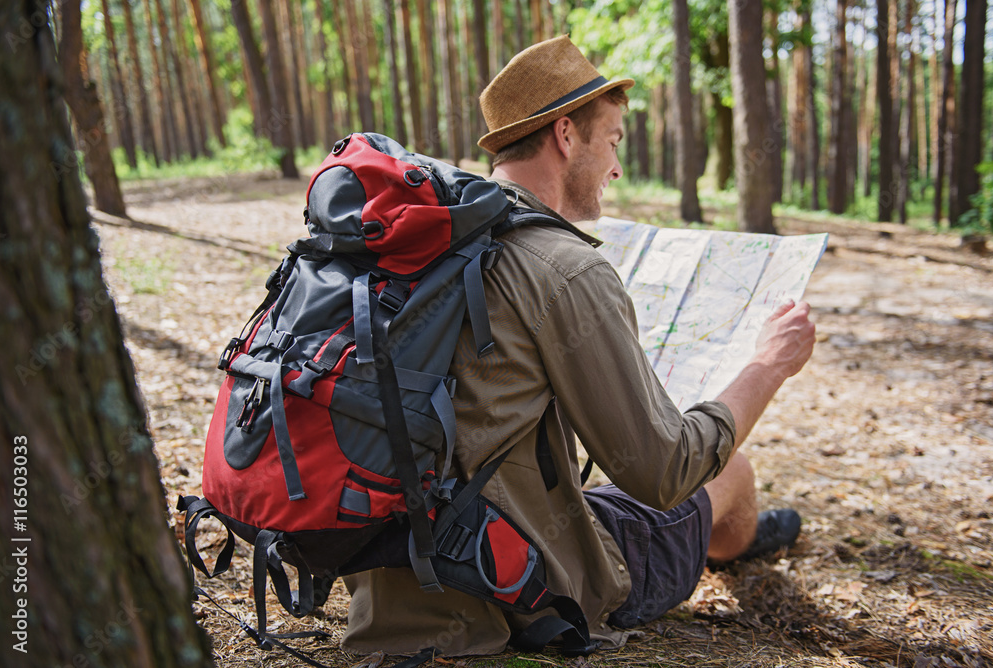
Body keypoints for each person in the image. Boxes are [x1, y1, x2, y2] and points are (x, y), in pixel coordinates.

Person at [342, 35, 816, 657]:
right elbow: (664, 472)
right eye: (613, 140)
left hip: (392, 583)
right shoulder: (564, 267)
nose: (617, 166)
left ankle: (724, 538)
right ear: (566, 135)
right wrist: (767, 365)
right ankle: (727, 540)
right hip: (529, 591)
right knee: (729, 467)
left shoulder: (421, 245)